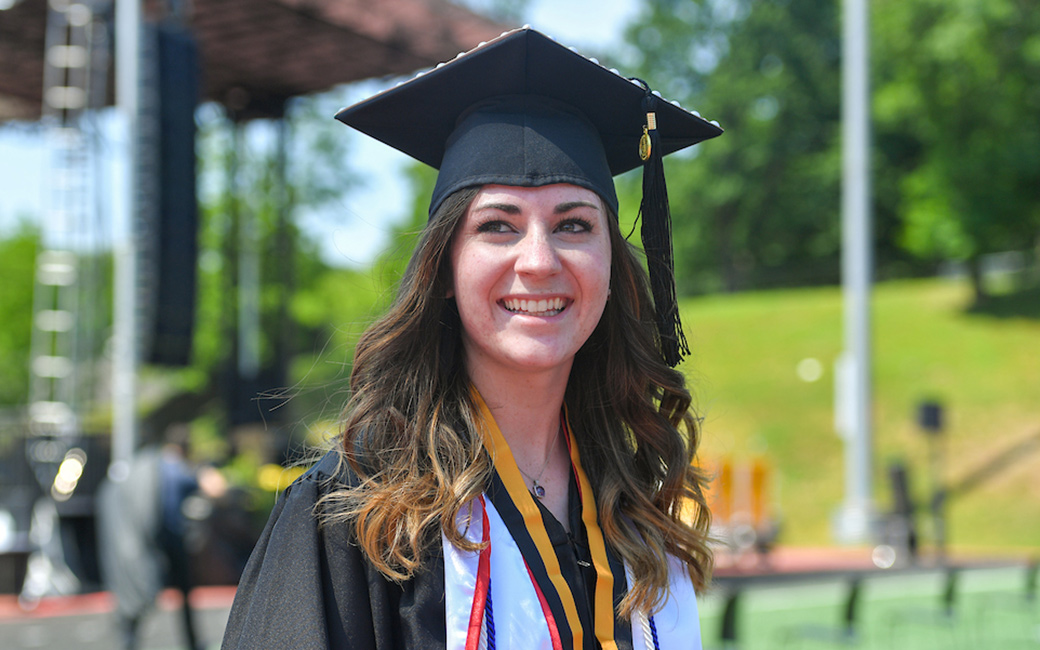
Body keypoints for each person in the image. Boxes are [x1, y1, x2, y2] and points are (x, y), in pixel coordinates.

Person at [222, 27, 723, 650]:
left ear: (612, 269)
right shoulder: (358, 514)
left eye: (573, 224)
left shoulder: (636, 505)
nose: (539, 260)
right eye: (498, 226)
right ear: (446, 270)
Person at [97, 424, 227, 650]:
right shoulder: (177, 469)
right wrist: (203, 467)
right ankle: (191, 642)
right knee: (178, 594)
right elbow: (217, 489)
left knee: (137, 595)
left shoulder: (147, 465)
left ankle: (130, 642)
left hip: (143, 540)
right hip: (166, 540)